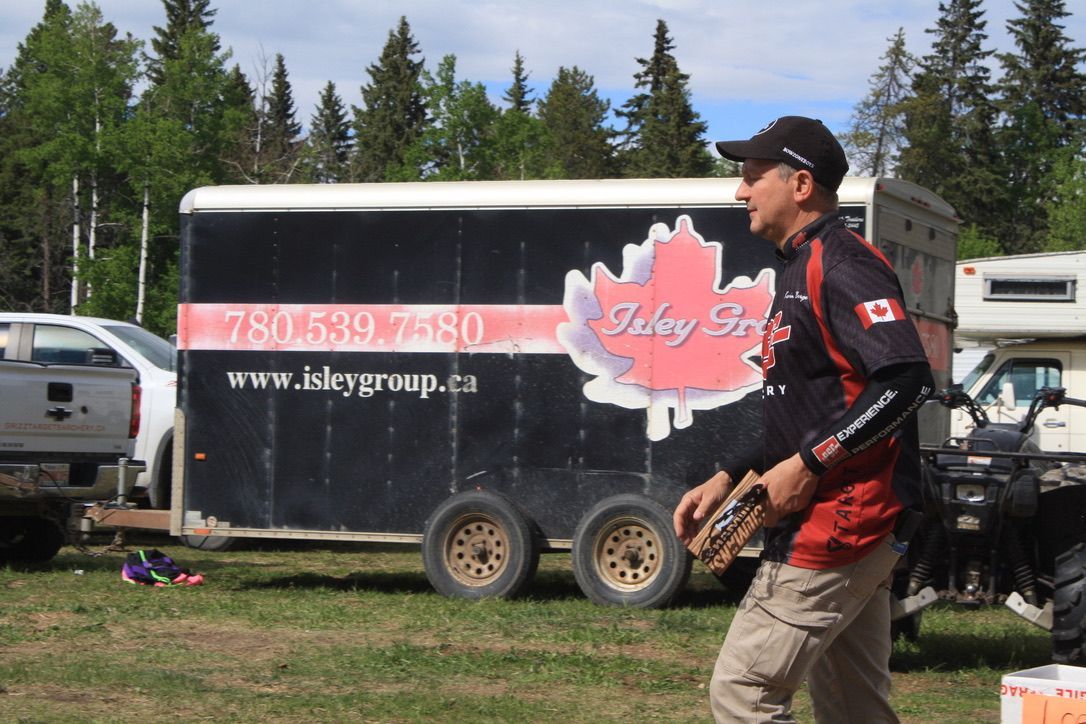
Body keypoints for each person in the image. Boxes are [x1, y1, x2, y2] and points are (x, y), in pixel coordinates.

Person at [673, 116, 934, 723]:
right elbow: (809, 405)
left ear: (800, 186)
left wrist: (814, 462)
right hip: (844, 522)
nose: (740, 192)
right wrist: (731, 473)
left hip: (841, 523)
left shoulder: (841, 264)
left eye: (752, 177)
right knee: (853, 709)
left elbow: (906, 381)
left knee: (743, 691)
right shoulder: (798, 266)